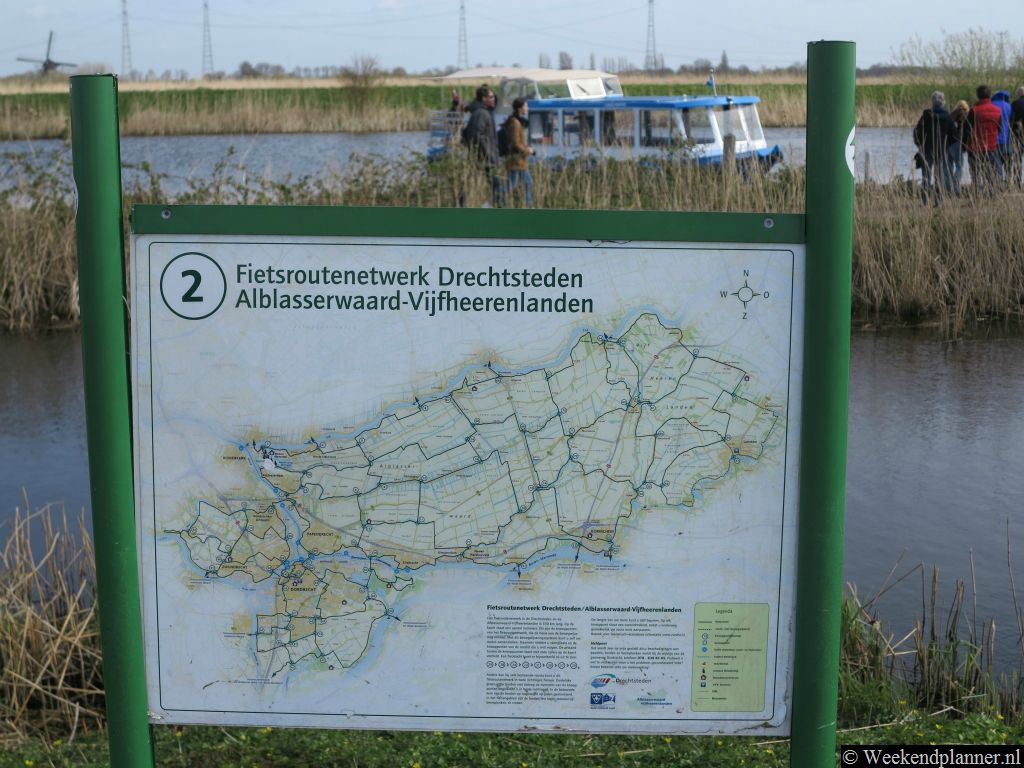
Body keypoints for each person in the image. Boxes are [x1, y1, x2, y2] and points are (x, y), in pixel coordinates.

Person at [462, 85, 502, 206]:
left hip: (483, 158)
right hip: (484, 159)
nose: (494, 99)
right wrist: (488, 154)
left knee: (474, 184)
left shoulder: (485, 112)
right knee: (497, 187)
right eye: (491, 97)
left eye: (494, 97)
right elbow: (476, 135)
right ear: (484, 99)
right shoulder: (481, 114)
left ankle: (488, 207)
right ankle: (490, 208)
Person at [912, 91, 953, 205]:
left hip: (927, 149)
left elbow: (917, 131)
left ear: (932, 102)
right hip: (942, 150)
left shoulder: (926, 116)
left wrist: (919, 144)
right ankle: (939, 201)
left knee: (926, 176)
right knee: (939, 176)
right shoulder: (947, 117)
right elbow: (954, 135)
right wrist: (947, 145)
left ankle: (924, 201)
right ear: (943, 102)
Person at [965, 85, 1002, 194]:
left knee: (976, 174)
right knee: (990, 173)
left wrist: (966, 144)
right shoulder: (997, 110)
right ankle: (991, 193)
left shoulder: (974, 110)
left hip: (975, 148)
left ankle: (977, 193)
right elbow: (999, 129)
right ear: (990, 95)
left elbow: (967, 129)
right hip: (991, 147)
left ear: (978, 96)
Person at [502, 97, 535, 207]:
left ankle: (528, 206)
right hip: (516, 160)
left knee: (527, 182)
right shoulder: (515, 123)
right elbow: (515, 143)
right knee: (511, 185)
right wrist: (527, 150)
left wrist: (527, 147)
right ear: (519, 108)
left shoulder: (518, 121)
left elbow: (519, 141)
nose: (527, 108)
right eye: (525, 106)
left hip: (520, 161)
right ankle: (495, 202)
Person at [946, 99, 971, 196]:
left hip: (948, 143)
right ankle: (956, 188)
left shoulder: (951, 115)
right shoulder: (965, 115)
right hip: (957, 143)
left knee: (949, 166)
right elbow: (966, 132)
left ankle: (948, 187)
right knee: (959, 166)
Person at [992, 88, 1013, 185]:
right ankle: (1008, 182)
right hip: (1007, 138)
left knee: (997, 163)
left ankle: (999, 184)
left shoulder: (992, 104)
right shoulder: (1009, 106)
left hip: (994, 139)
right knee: (1008, 162)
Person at [1009, 85, 1024, 191]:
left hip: (1018, 135)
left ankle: (1017, 181)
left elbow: (1011, 119)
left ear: (1018, 94)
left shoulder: (1014, 104)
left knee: (1018, 159)